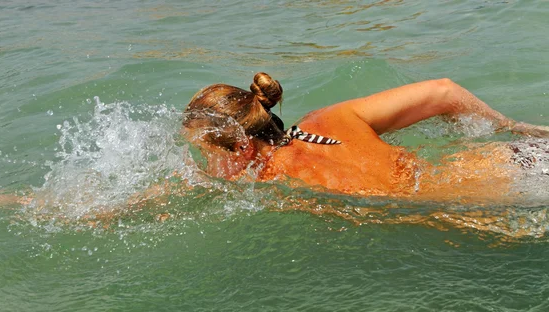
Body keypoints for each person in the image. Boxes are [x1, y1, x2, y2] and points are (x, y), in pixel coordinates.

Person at [182, 72, 549, 202]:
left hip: (513, 194)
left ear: (243, 146)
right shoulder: (326, 119)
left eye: (206, 153)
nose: (208, 163)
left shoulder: (281, 186)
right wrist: (515, 126)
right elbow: (444, 91)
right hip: (521, 155)